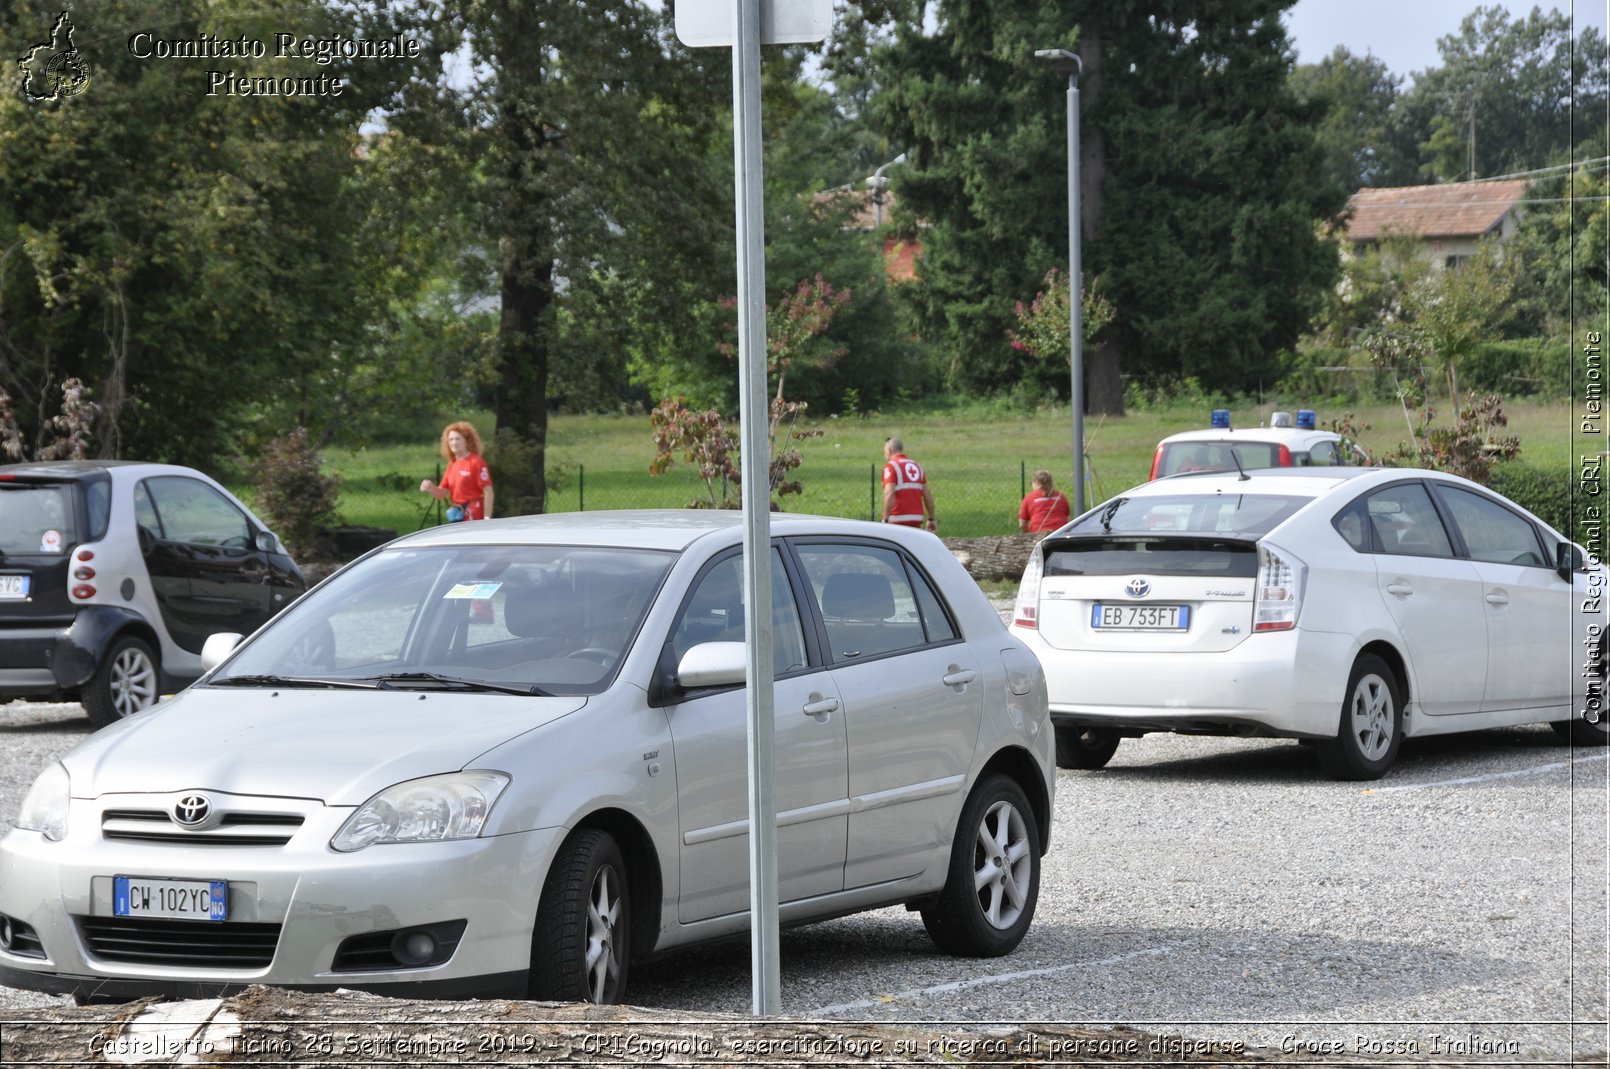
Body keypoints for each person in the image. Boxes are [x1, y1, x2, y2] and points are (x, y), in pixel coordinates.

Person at [419, 421, 494, 521]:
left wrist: (487, 517)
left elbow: (488, 491)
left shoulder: (476, 462)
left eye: (458, 439)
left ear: (467, 441)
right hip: (458, 515)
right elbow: (441, 494)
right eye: (451, 439)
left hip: (474, 514)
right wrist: (431, 488)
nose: (454, 442)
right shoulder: (452, 465)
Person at [881, 436, 936, 531]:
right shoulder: (916, 466)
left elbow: (889, 493)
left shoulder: (891, 467)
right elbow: (927, 495)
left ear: (889, 450)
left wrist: (885, 518)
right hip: (916, 518)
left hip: (897, 518)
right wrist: (931, 518)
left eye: (884, 451)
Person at [1019, 469, 1070, 534]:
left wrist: (1029, 533)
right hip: (1061, 533)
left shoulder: (1029, 498)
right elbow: (1068, 519)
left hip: (1038, 532)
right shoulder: (1061, 496)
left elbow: (1022, 524)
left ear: (1035, 483)